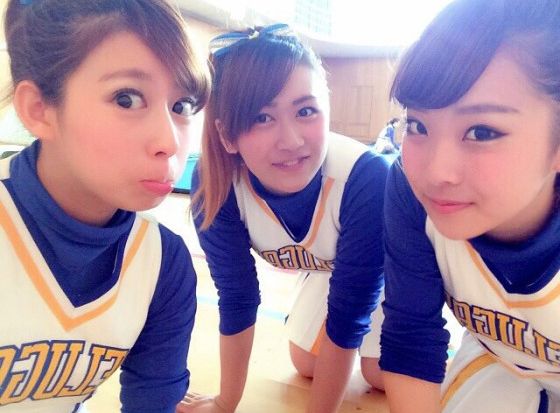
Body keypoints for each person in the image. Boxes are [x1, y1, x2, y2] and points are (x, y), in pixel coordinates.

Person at [0, 1, 209, 412]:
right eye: (126, 99)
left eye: (181, 106)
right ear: (39, 110)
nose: (169, 142)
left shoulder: (162, 262)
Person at [180, 24, 390, 413]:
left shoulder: (367, 179)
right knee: (306, 363)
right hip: (326, 268)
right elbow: (238, 295)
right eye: (262, 117)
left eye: (305, 111)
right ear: (227, 136)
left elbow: (348, 315)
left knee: (380, 375)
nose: (291, 141)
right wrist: (225, 402)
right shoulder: (216, 183)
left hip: (384, 273)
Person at [380, 0, 560, 412]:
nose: (436, 171)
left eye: (482, 131)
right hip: (500, 362)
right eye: (417, 125)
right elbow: (411, 339)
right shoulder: (408, 188)